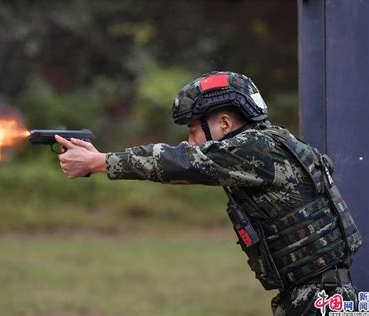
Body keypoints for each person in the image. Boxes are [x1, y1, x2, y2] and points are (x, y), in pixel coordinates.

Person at [54, 71, 363, 315]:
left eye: (193, 131)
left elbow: (180, 163)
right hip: (317, 296)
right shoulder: (269, 144)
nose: (189, 142)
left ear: (225, 123)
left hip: (320, 300)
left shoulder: (256, 148)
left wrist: (99, 162)